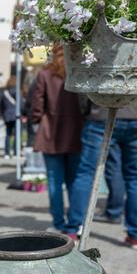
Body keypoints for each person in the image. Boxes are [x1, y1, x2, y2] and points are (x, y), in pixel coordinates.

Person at [66, 95, 137, 250]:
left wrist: (88, 108)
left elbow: (84, 83)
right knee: (135, 175)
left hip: (103, 110)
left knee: (86, 172)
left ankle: (73, 230)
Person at [30, 45, 86, 233]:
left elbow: (37, 105)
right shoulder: (79, 72)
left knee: (55, 181)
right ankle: (76, 223)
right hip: (76, 133)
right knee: (75, 180)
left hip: (51, 134)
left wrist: (37, 119)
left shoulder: (44, 74)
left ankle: (58, 223)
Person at [0, 76, 22, 158]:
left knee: (8, 134)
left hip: (7, 115)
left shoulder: (5, 92)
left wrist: (2, 114)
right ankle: (16, 152)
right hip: (16, 115)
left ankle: (7, 152)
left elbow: (1, 105)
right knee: (17, 134)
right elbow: (21, 104)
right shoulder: (17, 92)